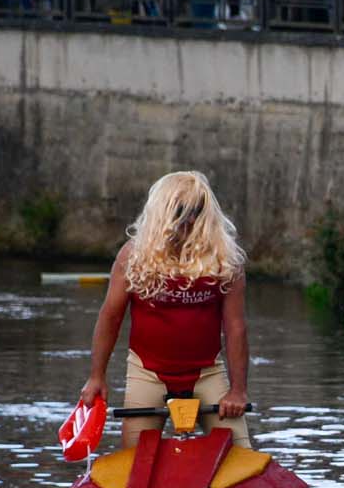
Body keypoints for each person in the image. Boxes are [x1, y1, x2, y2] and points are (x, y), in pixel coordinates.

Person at [80, 171, 253, 450]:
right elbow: (110, 316)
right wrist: (96, 376)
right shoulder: (133, 256)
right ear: (163, 213)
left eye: (197, 211)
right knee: (133, 458)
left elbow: (235, 327)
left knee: (242, 454)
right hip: (147, 371)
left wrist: (238, 391)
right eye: (181, 211)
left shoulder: (226, 259)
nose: (189, 220)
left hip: (206, 371)